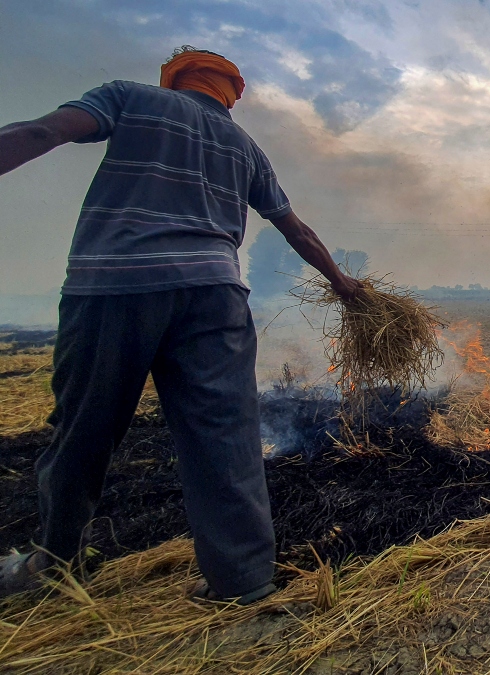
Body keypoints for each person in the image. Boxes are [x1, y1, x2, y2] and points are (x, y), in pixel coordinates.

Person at [0, 47, 361, 603]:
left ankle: (55, 565)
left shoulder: (130, 98)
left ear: (175, 80)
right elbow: (298, 230)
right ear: (230, 95)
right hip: (216, 297)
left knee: (83, 431)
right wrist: (342, 283)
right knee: (226, 437)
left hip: (116, 289)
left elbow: (44, 131)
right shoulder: (245, 147)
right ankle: (243, 582)